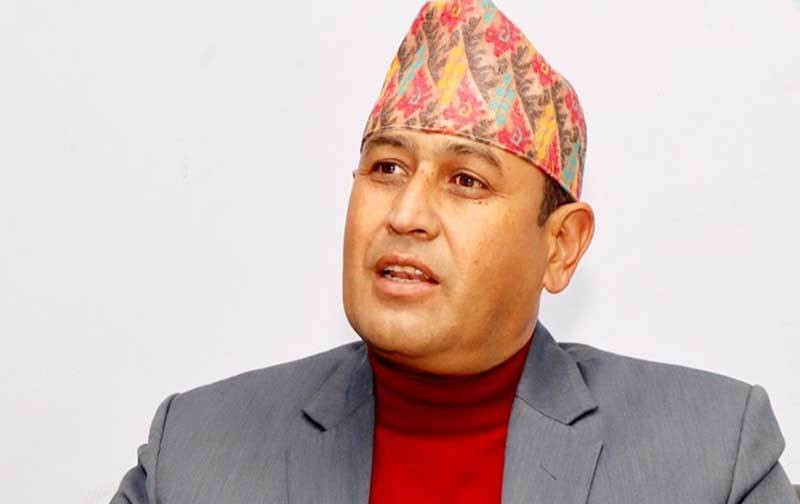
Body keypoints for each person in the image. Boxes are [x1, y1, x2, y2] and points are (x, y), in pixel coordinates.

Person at [111, 1, 796, 503]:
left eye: (466, 180)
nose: (405, 215)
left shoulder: (712, 457)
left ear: (561, 246)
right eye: (386, 168)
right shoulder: (195, 452)